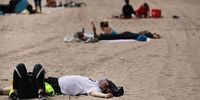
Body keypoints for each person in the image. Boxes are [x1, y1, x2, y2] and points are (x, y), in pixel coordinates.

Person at [1, 64, 124, 99]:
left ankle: (40, 93)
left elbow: (94, 94)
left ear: (105, 88)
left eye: (106, 83)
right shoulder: (94, 82)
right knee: (27, 75)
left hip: (55, 87)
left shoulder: (95, 89)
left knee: (38, 68)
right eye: (107, 80)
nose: (105, 80)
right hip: (54, 81)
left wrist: (105, 96)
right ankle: (4, 92)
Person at [76, 21, 161, 43]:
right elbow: (95, 37)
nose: (85, 36)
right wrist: (94, 30)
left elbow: (86, 35)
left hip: (120, 35)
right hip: (119, 36)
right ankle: (151, 35)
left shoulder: (88, 37)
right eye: (83, 36)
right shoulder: (91, 39)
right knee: (132, 35)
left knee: (130, 34)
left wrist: (83, 33)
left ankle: (149, 34)